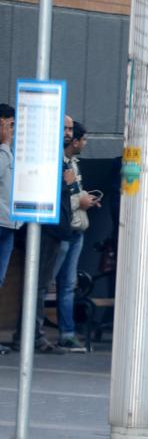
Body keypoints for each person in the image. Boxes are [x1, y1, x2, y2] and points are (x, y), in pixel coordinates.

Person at [13, 116, 75, 354]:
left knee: (40, 284)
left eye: (70, 129)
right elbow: (43, 190)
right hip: (47, 229)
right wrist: (67, 184)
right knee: (37, 285)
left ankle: (30, 334)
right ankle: (31, 335)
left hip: (55, 229)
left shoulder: (59, 158)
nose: (68, 133)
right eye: (65, 128)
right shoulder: (48, 159)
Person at [53, 121, 99, 351]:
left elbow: (73, 191)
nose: (84, 143)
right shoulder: (59, 163)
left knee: (69, 284)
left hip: (76, 231)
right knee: (45, 283)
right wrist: (79, 201)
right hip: (62, 230)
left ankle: (67, 332)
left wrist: (84, 198)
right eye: (83, 139)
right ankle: (32, 330)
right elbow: (58, 197)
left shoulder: (73, 164)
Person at [0, 104, 20, 355]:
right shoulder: (4, 151)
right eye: (9, 125)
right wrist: (5, 144)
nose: (13, 131)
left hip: (9, 225)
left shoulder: (10, 152)